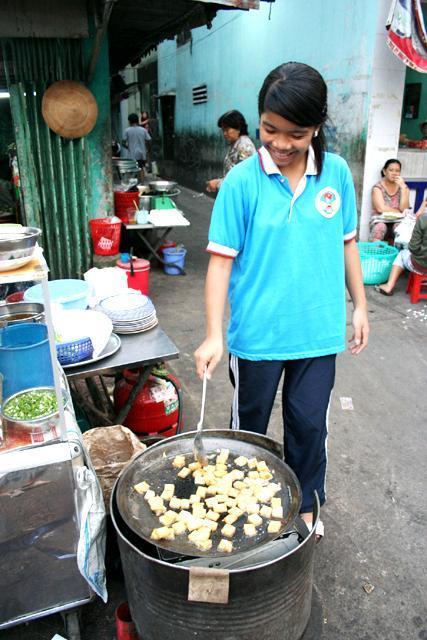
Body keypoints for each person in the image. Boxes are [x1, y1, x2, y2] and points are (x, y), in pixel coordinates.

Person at [194, 62, 369, 540]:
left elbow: (347, 243)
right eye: (270, 129)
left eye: (297, 133)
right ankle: (244, 507)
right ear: (259, 121)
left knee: (309, 427)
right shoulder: (241, 183)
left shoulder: (335, 174)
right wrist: (214, 334)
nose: (282, 142)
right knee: (247, 431)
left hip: (317, 333)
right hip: (256, 335)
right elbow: (221, 263)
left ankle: (307, 511)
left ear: (316, 127)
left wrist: (359, 306)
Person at [375, 201, 427, 295]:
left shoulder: (423, 220)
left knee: (402, 254)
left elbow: (413, 248)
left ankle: (389, 286)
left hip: (421, 266)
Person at [206, 110, 256, 193]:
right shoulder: (235, 144)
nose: (224, 134)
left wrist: (218, 184)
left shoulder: (245, 146)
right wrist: (219, 181)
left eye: (227, 130)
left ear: (238, 128)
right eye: (223, 130)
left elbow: (242, 180)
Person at [371, 159, 410, 241]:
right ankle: (375, 252)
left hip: (398, 220)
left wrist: (403, 188)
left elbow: (404, 209)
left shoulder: (403, 187)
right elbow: (380, 209)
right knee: (380, 227)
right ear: (385, 172)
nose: (394, 173)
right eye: (391, 170)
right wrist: (398, 211)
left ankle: (397, 253)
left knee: (400, 228)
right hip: (380, 220)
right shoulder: (377, 188)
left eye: (397, 171)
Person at [122, 113, 151, 181]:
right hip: (141, 153)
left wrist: (128, 147)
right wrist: (148, 149)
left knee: (131, 169)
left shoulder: (127, 130)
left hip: (132, 154)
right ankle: (142, 183)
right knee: (141, 168)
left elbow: (123, 142)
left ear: (129, 121)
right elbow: (149, 140)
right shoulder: (143, 130)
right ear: (137, 120)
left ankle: (132, 184)